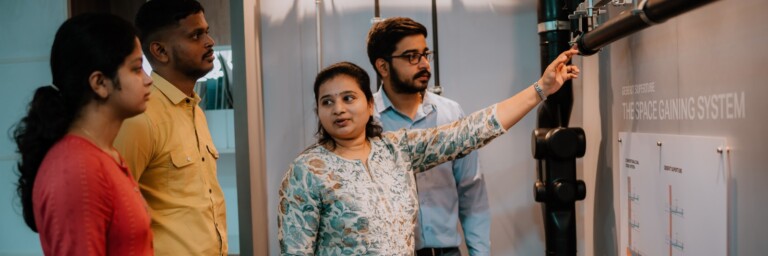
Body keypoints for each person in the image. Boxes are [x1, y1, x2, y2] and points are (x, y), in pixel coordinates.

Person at [278, 47, 579, 255]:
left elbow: (472, 131)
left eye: (348, 98)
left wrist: (541, 88)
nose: (338, 109)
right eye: (327, 102)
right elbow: (295, 251)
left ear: (369, 105)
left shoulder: (398, 149)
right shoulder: (307, 170)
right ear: (318, 110)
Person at [13, 13, 154, 255]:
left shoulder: (104, 154)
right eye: (136, 69)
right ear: (100, 83)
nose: (148, 80)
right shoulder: (77, 168)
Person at [367, 17, 490, 256]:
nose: (424, 64)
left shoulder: (450, 113)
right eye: (411, 56)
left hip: (447, 252)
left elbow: (471, 191)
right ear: (382, 66)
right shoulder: (367, 120)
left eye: (425, 54)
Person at [113, 0, 227, 254]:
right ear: (160, 51)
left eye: (206, 31)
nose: (209, 41)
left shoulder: (195, 111)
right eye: (196, 35)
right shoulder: (140, 117)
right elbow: (115, 212)